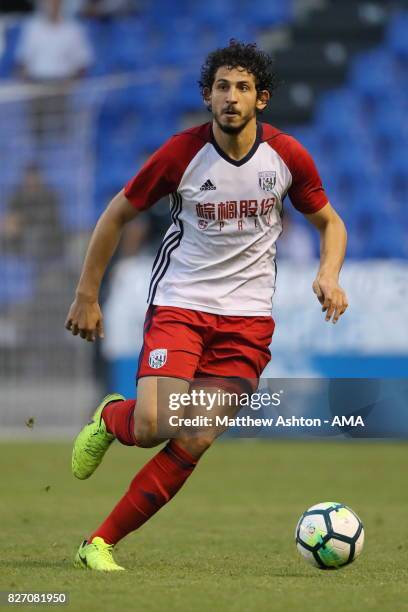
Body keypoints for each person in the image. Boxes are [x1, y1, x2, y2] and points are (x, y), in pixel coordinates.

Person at [65, 41, 348, 571]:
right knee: (153, 426)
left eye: (243, 88)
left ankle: (98, 543)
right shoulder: (181, 154)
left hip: (247, 322)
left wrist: (328, 273)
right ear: (207, 96)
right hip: (181, 304)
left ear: (261, 98)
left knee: (194, 435)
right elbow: (115, 215)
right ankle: (111, 419)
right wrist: (87, 294)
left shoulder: (286, 156)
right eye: (222, 87)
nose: (232, 97)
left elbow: (331, 221)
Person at [15, 0, 93, 139]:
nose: (51, 5)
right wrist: (27, 83)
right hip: (37, 87)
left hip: (63, 87)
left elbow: (83, 64)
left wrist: (70, 83)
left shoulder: (73, 29)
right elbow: (22, 62)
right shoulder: (32, 28)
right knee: (37, 132)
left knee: (61, 131)